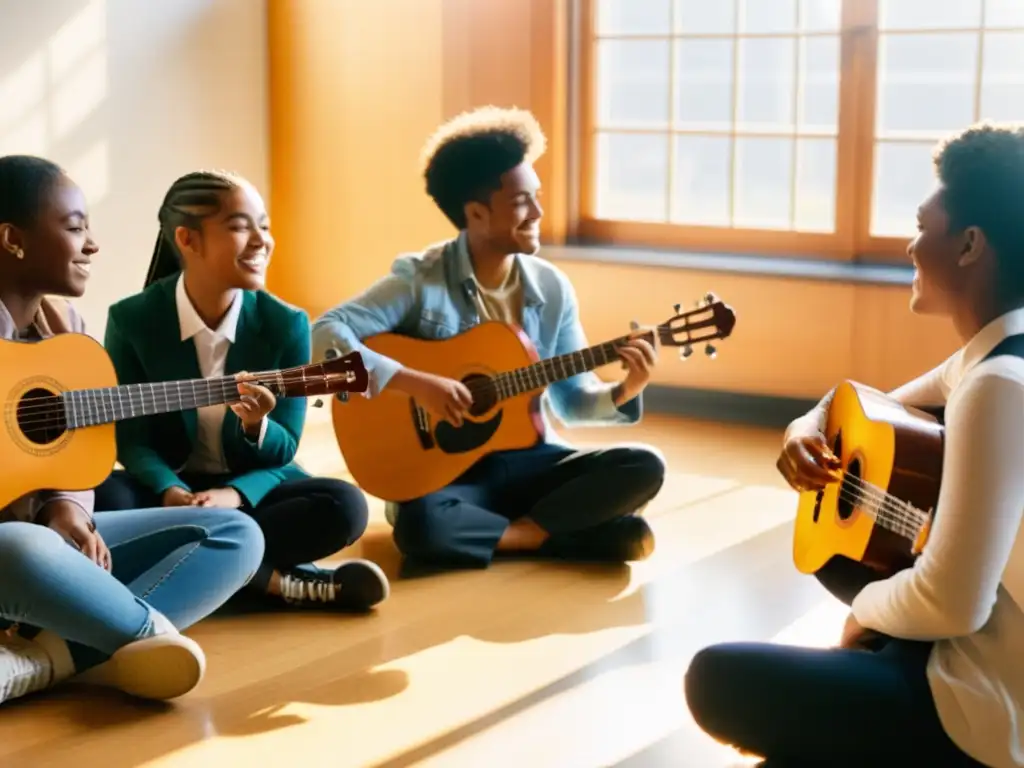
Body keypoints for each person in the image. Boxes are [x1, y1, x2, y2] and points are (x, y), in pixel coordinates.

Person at [684, 123, 1024, 767]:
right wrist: (803, 430)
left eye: (924, 225)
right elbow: (867, 401)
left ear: (971, 244)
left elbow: (952, 602)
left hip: (984, 707)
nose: (910, 243)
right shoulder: (995, 355)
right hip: (976, 645)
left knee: (714, 678)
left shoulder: (999, 386)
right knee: (833, 550)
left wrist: (862, 618)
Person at [311, 106, 665, 571]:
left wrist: (625, 390)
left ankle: (520, 536)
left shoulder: (550, 288)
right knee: (420, 523)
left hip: (532, 460)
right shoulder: (419, 280)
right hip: (446, 475)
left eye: (536, 198)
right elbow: (324, 333)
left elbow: (573, 402)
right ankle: (570, 534)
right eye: (522, 203)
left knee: (643, 466)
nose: (538, 213)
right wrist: (414, 383)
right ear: (476, 213)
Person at [0, 155, 266, 706]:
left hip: (43, 542)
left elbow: (72, 447)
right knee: (21, 545)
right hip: (12, 548)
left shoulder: (66, 330)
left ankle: (42, 662)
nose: (92, 245)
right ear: (12, 239)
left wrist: (67, 506)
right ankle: (147, 638)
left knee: (236, 533)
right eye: (75, 228)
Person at [93, 170, 389, 612]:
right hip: (165, 490)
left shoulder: (284, 323)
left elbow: (284, 449)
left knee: (344, 505)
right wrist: (171, 492)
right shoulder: (132, 319)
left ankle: (183, 576)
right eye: (239, 226)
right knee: (94, 502)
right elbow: (132, 441)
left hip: (247, 493)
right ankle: (271, 582)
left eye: (263, 226)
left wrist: (251, 443)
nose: (260, 241)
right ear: (188, 240)